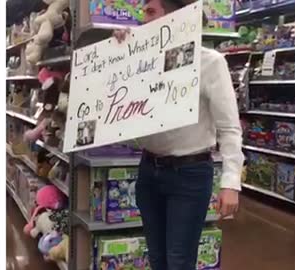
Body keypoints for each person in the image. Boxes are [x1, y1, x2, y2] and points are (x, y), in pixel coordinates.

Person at [114, 0, 244, 269]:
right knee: (158, 257)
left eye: (150, 12)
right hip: (149, 169)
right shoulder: (144, 61)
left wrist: (231, 183)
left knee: (179, 260)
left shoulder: (210, 62)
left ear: (174, 17)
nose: (143, 20)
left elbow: (230, 127)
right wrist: (117, 55)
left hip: (189, 174)